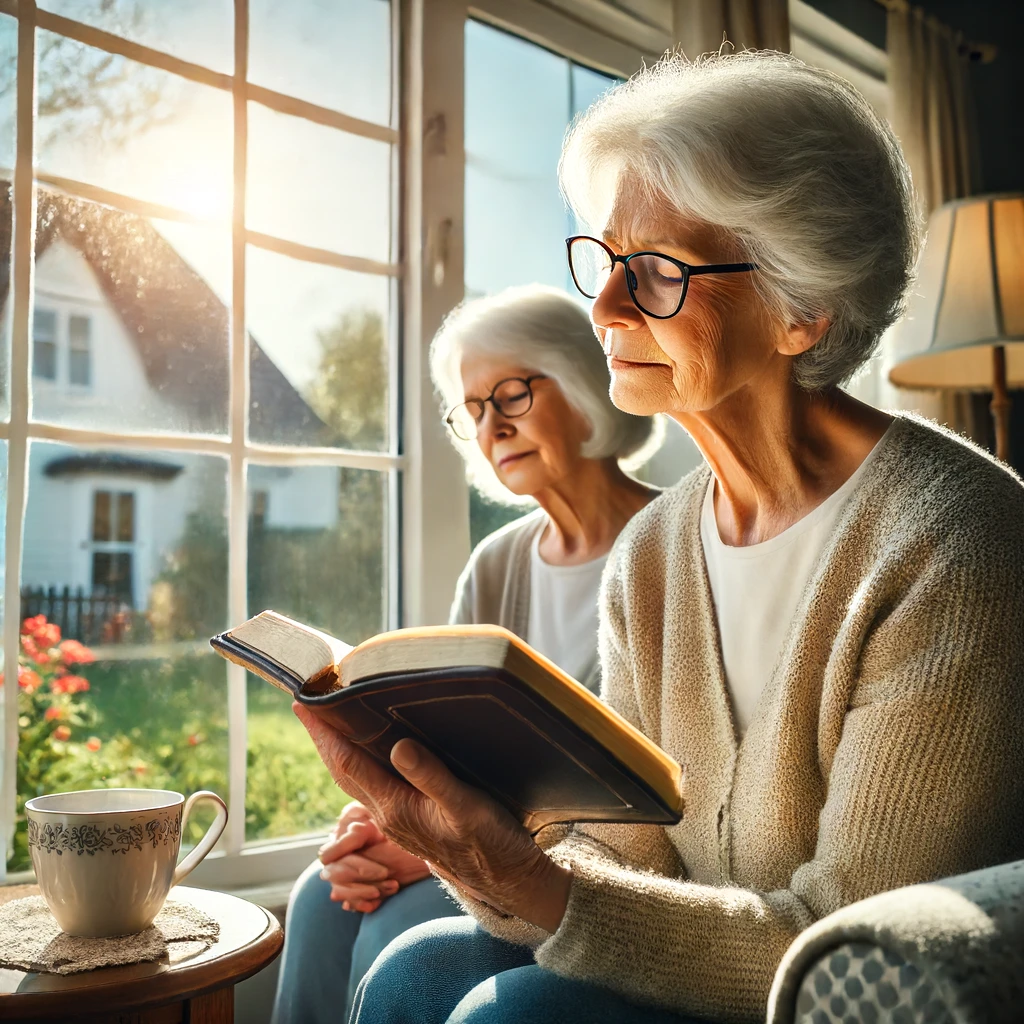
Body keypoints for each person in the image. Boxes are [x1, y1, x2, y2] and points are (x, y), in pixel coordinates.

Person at [295, 50, 1024, 1024]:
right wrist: (455, 843)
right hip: (704, 953)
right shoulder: (652, 551)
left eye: (655, 273)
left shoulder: (954, 541)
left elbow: (842, 946)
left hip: (830, 993)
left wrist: (527, 878)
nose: (602, 309)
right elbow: (618, 851)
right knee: (413, 967)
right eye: (603, 262)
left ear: (799, 309)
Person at [270, 285, 661, 1024]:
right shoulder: (497, 562)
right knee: (321, 897)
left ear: (584, 385)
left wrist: (431, 851)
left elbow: (645, 790)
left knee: (394, 926)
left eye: (510, 394)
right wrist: (388, 826)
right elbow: (432, 740)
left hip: (582, 872)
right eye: (473, 409)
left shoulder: (671, 542)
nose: (492, 427)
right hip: (471, 841)